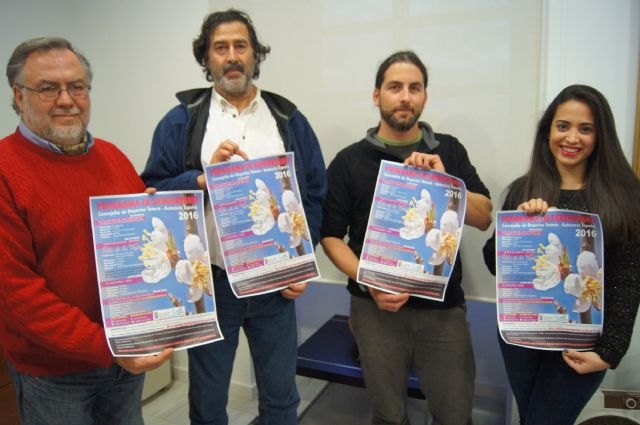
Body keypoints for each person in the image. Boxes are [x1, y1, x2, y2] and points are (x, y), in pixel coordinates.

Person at [140, 9, 327, 425]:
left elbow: (315, 194)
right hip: (210, 284)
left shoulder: (288, 119)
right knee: (208, 403)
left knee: (281, 398)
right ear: (206, 58)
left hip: (276, 285)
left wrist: (301, 260)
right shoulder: (182, 120)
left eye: (240, 46)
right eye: (220, 47)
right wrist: (202, 178)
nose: (232, 56)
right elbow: (153, 189)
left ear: (255, 54)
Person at [0, 37, 173, 425]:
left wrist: (154, 221)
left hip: (124, 357)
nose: (67, 100)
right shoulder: (4, 170)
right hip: (54, 374)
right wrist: (108, 347)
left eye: (77, 86)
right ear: (19, 96)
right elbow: (17, 296)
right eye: (48, 88)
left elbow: (139, 256)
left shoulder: (112, 157)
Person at [321, 50, 492, 425]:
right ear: (376, 95)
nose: (405, 96)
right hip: (374, 310)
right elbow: (331, 236)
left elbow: (484, 217)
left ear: (425, 97)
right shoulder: (348, 161)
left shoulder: (449, 150)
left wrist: (447, 182)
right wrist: (369, 279)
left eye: (415, 88)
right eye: (395, 87)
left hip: (443, 312)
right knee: (388, 415)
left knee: (455, 416)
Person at [482, 84, 640, 424]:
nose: (572, 138)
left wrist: (609, 352)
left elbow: (629, 280)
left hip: (582, 345)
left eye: (586, 129)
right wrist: (518, 229)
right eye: (563, 126)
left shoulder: (624, 196)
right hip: (522, 338)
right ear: (548, 131)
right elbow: (494, 265)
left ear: (600, 136)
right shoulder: (523, 189)